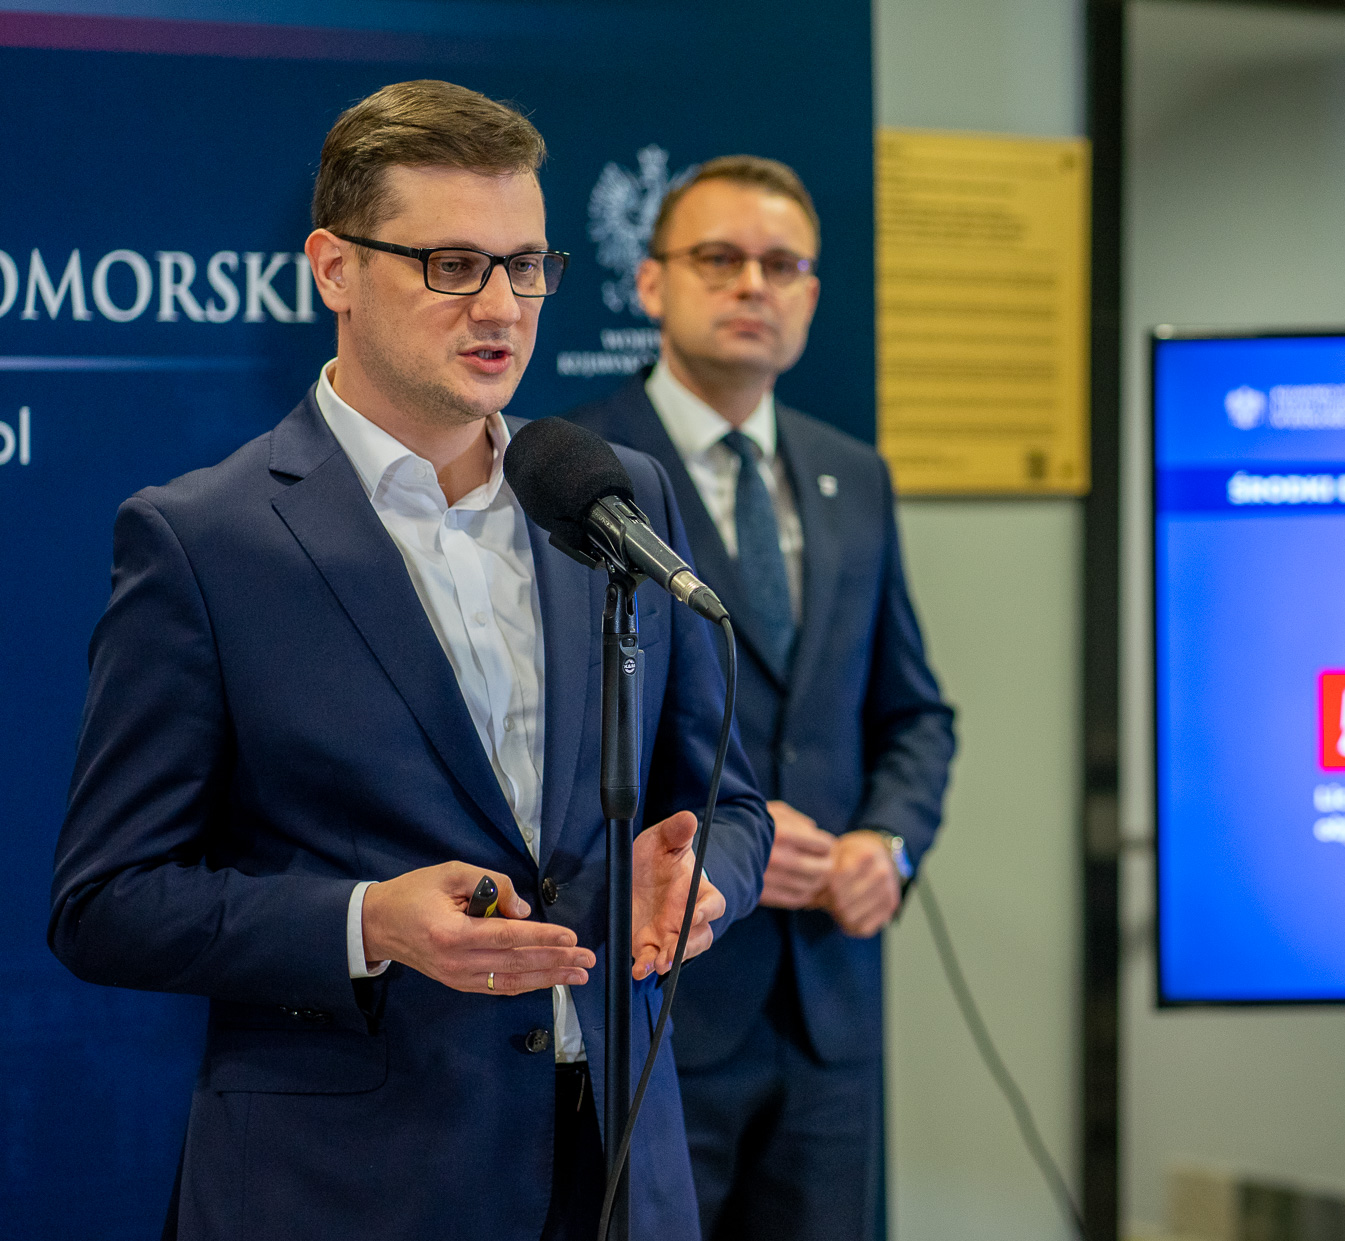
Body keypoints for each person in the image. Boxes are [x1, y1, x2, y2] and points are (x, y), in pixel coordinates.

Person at [47, 80, 771, 1241]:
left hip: (618, 1166)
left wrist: (703, 880)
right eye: (452, 265)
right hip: (350, 1185)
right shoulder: (205, 539)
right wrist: (368, 920)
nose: (501, 306)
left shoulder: (612, 495)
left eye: (525, 265)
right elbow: (106, 901)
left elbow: (725, 802)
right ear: (334, 269)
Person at [566, 156, 954, 1241]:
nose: (752, 285)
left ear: (812, 295)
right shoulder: (580, 474)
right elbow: (549, 745)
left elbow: (913, 713)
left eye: (781, 265)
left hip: (830, 1009)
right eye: (719, 259)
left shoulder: (853, 474)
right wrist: (730, 840)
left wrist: (889, 842)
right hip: (659, 1003)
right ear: (651, 283)